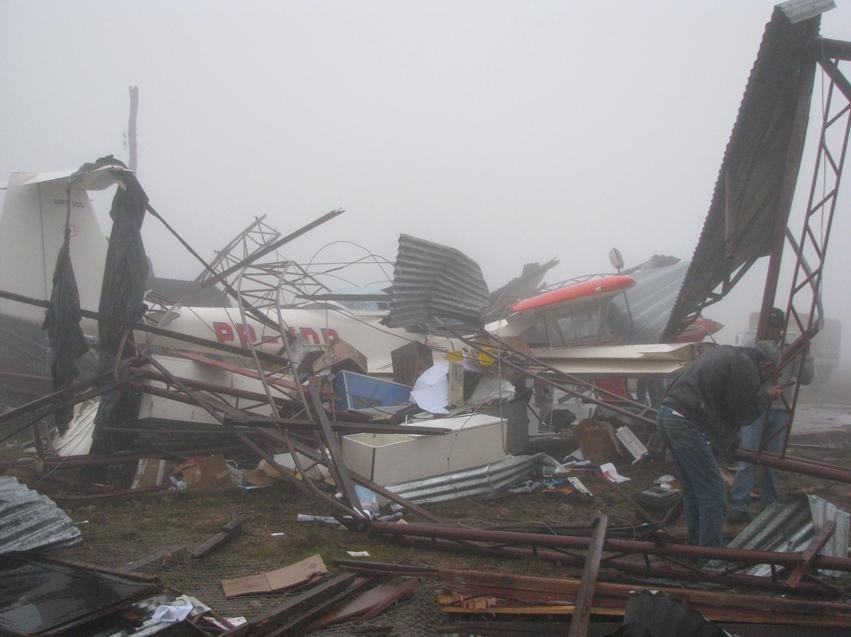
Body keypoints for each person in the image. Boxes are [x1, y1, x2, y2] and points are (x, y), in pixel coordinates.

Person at [656, 343, 783, 548]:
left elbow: (719, 402)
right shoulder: (746, 367)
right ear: (767, 364)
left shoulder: (727, 353)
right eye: (771, 372)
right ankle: (710, 556)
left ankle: (696, 546)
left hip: (669, 414)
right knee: (714, 492)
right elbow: (742, 413)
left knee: (693, 488)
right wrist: (765, 397)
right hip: (686, 422)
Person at [727, 308, 814, 523]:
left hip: (779, 411)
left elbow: (806, 378)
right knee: (747, 459)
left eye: (774, 326)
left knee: (773, 463)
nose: (770, 330)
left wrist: (806, 355)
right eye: (767, 325)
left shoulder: (792, 348)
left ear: (781, 327)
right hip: (755, 409)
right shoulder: (750, 344)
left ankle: (769, 508)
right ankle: (739, 506)